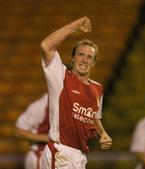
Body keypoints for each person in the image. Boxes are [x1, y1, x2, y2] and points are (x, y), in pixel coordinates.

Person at [40, 16, 112, 169]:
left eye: (89, 57)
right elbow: (46, 45)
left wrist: (103, 133)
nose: (85, 60)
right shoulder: (60, 75)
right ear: (72, 58)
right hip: (60, 153)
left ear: (94, 62)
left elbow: (94, 118)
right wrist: (78, 24)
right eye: (81, 55)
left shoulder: (97, 89)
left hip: (79, 157)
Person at [15, 93, 49, 169]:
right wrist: (49, 138)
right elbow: (19, 132)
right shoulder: (41, 105)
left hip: (55, 156)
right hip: (39, 156)